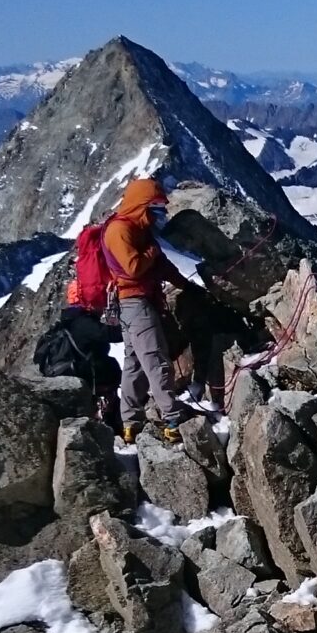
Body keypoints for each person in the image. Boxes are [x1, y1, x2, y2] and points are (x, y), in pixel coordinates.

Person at [102, 174, 191, 444]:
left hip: (135, 304)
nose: (156, 216)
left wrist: (185, 285)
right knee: (155, 359)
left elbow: (162, 265)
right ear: (141, 205)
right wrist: (152, 251)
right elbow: (134, 267)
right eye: (153, 209)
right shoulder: (120, 230)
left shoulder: (137, 228)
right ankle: (173, 420)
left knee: (135, 364)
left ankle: (130, 423)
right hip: (135, 304)